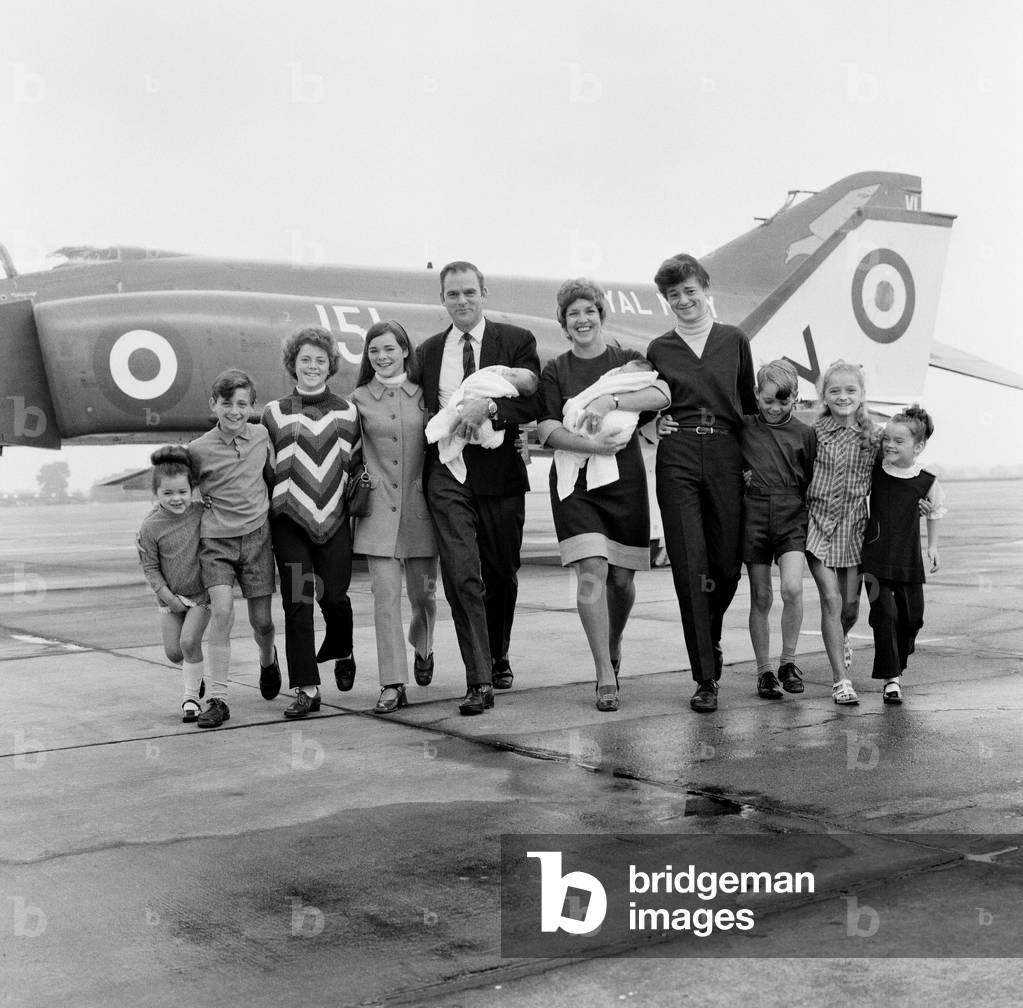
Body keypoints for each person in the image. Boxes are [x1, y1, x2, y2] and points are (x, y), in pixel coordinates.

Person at [416, 260, 541, 715]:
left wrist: (489, 408)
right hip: (448, 472)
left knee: (501, 573)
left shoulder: (517, 340)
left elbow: (534, 402)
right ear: (442, 299)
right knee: (462, 575)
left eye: (470, 292)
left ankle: (498, 651)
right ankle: (479, 679)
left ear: (484, 294)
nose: (462, 300)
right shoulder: (429, 351)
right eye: (453, 294)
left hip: (500, 472)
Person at [538, 279, 669, 711]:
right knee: (591, 570)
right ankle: (604, 672)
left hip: (623, 481)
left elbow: (662, 393)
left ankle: (614, 642)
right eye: (573, 314)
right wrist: (591, 446)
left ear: (600, 315)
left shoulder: (624, 360)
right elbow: (546, 429)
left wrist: (610, 400)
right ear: (564, 323)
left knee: (622, 581)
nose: (582, 320)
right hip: (575, 482)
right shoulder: (556, 369)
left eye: (589, 311)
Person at [649, 253, 757, 713]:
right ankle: (705, 677)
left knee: (727, 567)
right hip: (677, 455)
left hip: (726, 453)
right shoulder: (659, 349)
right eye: (673, 294)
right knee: (690, 568)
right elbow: (646, 400)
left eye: (690, 291)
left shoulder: (734, 340)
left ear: (705, 289)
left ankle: (707, 636)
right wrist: (651, 423)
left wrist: (756, 463)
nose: (683, 300)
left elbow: (749, 405)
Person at [262, 327, 361, 719]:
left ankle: (343, 648)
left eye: (320, 360)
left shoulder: (348, 412)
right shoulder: (273, 412)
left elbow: (357, 463)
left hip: (334, 519)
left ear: (330, 364)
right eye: (305, 359)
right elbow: (264, 466)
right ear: (293, 363)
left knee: (334, 597)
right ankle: (307, 688)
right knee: (298, 603)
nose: (313, 366)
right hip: (290, 523)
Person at [351, 320, 438, 715]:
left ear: (405, 350)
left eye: (389, 349)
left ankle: (424, 645)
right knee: (385, 600)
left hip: (422, 511)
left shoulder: (426, 395)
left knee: (424, 596)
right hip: (377, 513)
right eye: (374, 351)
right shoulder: (357, 399)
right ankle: (392, 683)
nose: (382, 357)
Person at [188, 369, 278, 728]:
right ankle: (218, 699)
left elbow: (273, 478)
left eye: (242, 404)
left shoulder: (263, 436)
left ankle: (268, 658)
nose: (235, 411)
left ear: (252, 406)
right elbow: (181, 494)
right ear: (213, 404)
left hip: (257, 539)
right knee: (222, 613)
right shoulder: (197, 450)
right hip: (216, 543)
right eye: (226, 404)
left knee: (262, 622)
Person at [739, 360, 817, 700]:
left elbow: (811, 479)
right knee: (761, 596)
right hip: (754, 515)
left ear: (796, 397)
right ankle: (764, 671)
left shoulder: (805, 434)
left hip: (791, 516)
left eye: (783, 402)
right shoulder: (744, 427)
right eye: (768, 400)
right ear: (757, 394)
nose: (774, 408)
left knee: (792, 589)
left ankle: (788, 662)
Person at [804, 360, 879, 705]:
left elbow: (893, 475)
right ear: (824, 395)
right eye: (834, 390)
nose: (842, 396)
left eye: (850, 390)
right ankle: (840, 680)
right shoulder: (813, 433)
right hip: (817, 527)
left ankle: (841, 636)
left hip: (854, 529)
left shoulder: (873, 438)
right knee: (831, 601)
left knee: (849, 609)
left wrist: (922, 502)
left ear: (862, 394)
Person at [861, 405, 946, 704]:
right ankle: (891, 680)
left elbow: (935, 512)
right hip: (872, 562)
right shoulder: (875, 470)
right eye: (887, 439)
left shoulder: (926, 481)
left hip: (908, 562)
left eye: (899, 441)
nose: (890, 445)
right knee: (883, 616)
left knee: (912, 620)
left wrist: (932, 546)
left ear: (918, 447)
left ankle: (899, 654)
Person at [135, 446, 211, 723]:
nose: (176, 498)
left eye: (182, 491)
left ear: (192, 489)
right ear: (156, 493)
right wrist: (168, 598)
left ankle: (190, 699)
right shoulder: (150, 527)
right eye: (167, 493)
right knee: (174, 652)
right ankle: (195, 672)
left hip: (201, 594)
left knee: (189, 641)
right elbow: (150, 568)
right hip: (170, 596)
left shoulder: (201, 512)